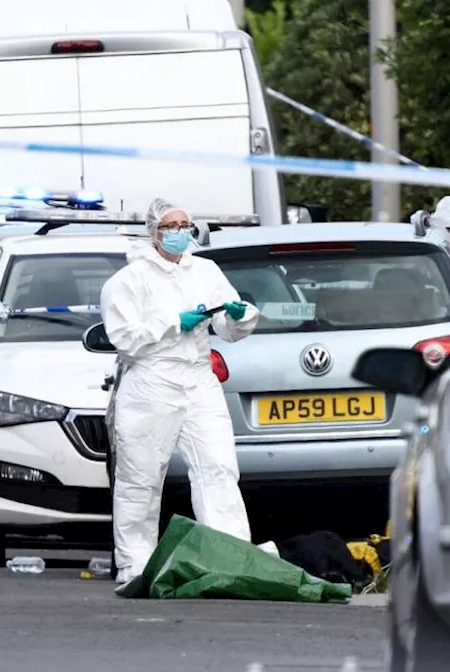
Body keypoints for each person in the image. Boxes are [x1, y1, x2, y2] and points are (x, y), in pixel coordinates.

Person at [99, 198, 262, 587]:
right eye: (170, 226)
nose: (178, 233)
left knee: (218, 467)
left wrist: (239, 317)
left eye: (185, 225)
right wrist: (174, 324)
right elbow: (125, 339)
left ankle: (231, 556)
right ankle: (134, 565)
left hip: (199, 376)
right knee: (141, 475)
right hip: (152, 380)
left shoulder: (204, 270)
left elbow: (228, 325)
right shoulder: (129, 280)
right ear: (153, 232)